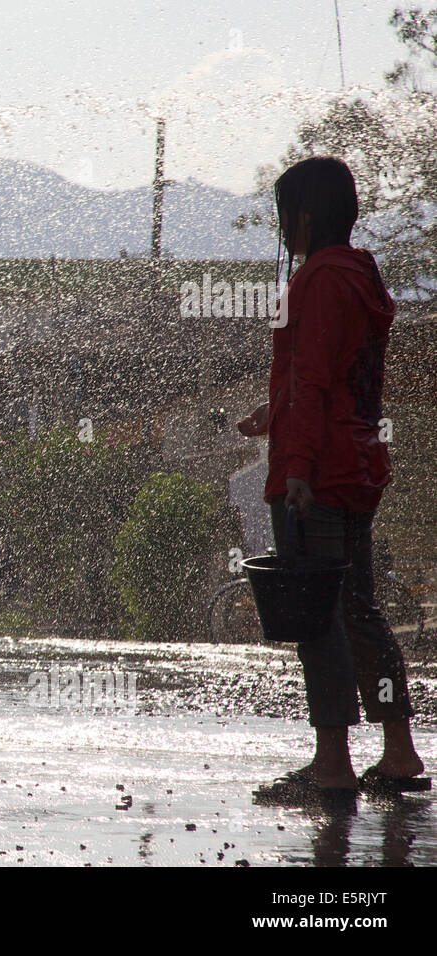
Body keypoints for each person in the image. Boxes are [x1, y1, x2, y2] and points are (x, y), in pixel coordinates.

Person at [238, 156, 428, 804]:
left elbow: (316, 379)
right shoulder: (360, 279)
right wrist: (275, 413)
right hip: (354, 463)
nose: (281, 228)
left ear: (306, 215)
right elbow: (339, 379)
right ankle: (399, 752)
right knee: (359, 609)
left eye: (284, 214)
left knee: (317, 620)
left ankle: (332, 765)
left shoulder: (317, 280)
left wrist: (294, 472)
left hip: (315, 474)